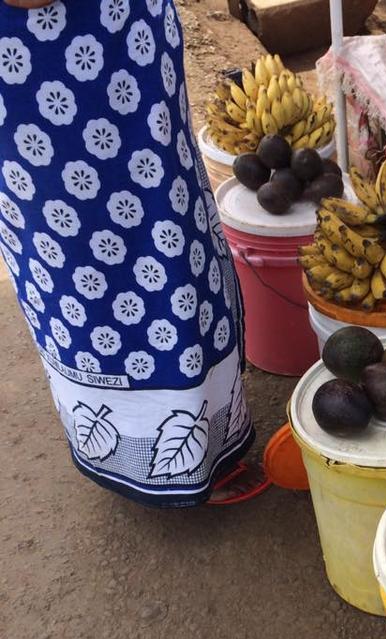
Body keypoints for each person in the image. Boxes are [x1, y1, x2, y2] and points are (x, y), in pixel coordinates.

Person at [0, 0, 266, 506]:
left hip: (121, 40)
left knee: (168, 218)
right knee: (81, 254)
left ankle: (205, 437)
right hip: (43, 60)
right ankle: (155, 456)